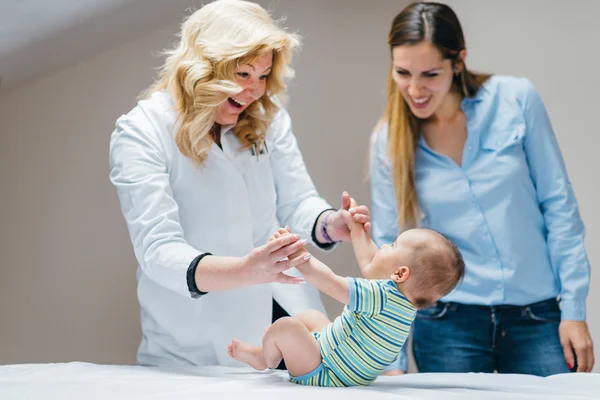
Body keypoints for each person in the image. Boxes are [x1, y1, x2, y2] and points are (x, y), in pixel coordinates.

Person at [108, 0, 371, 367]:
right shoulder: (142, 131)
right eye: (244, 75)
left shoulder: (267, 116)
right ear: (203, 67)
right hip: (193, 340)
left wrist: (329, 224)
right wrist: (246, 271)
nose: (255, 92)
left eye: (263, 76)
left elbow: (296, 202)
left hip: (287, 314)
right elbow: (157, 251)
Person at [370, 1, 594, 376]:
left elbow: (559, 206)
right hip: (447, 325)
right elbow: (389, 247)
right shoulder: (388, 140)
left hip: (536, 316)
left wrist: (574, 311)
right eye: (402, 72)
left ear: (458, 61)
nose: (415, 89)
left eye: (430, 74)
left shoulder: (516, 99)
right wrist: (390, 356)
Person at [227, 208, 466, 387]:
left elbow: (330, 282)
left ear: (400, 273)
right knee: (313, 316)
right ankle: (286, 346)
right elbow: (372, 264)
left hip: (325, 372)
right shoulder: (403, 308)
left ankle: (263, 356)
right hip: (346, 369)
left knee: (286, 326)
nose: (382, 247)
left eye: (393, 245)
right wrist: (356, 229)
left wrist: (299, 256)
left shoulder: (381, 296)